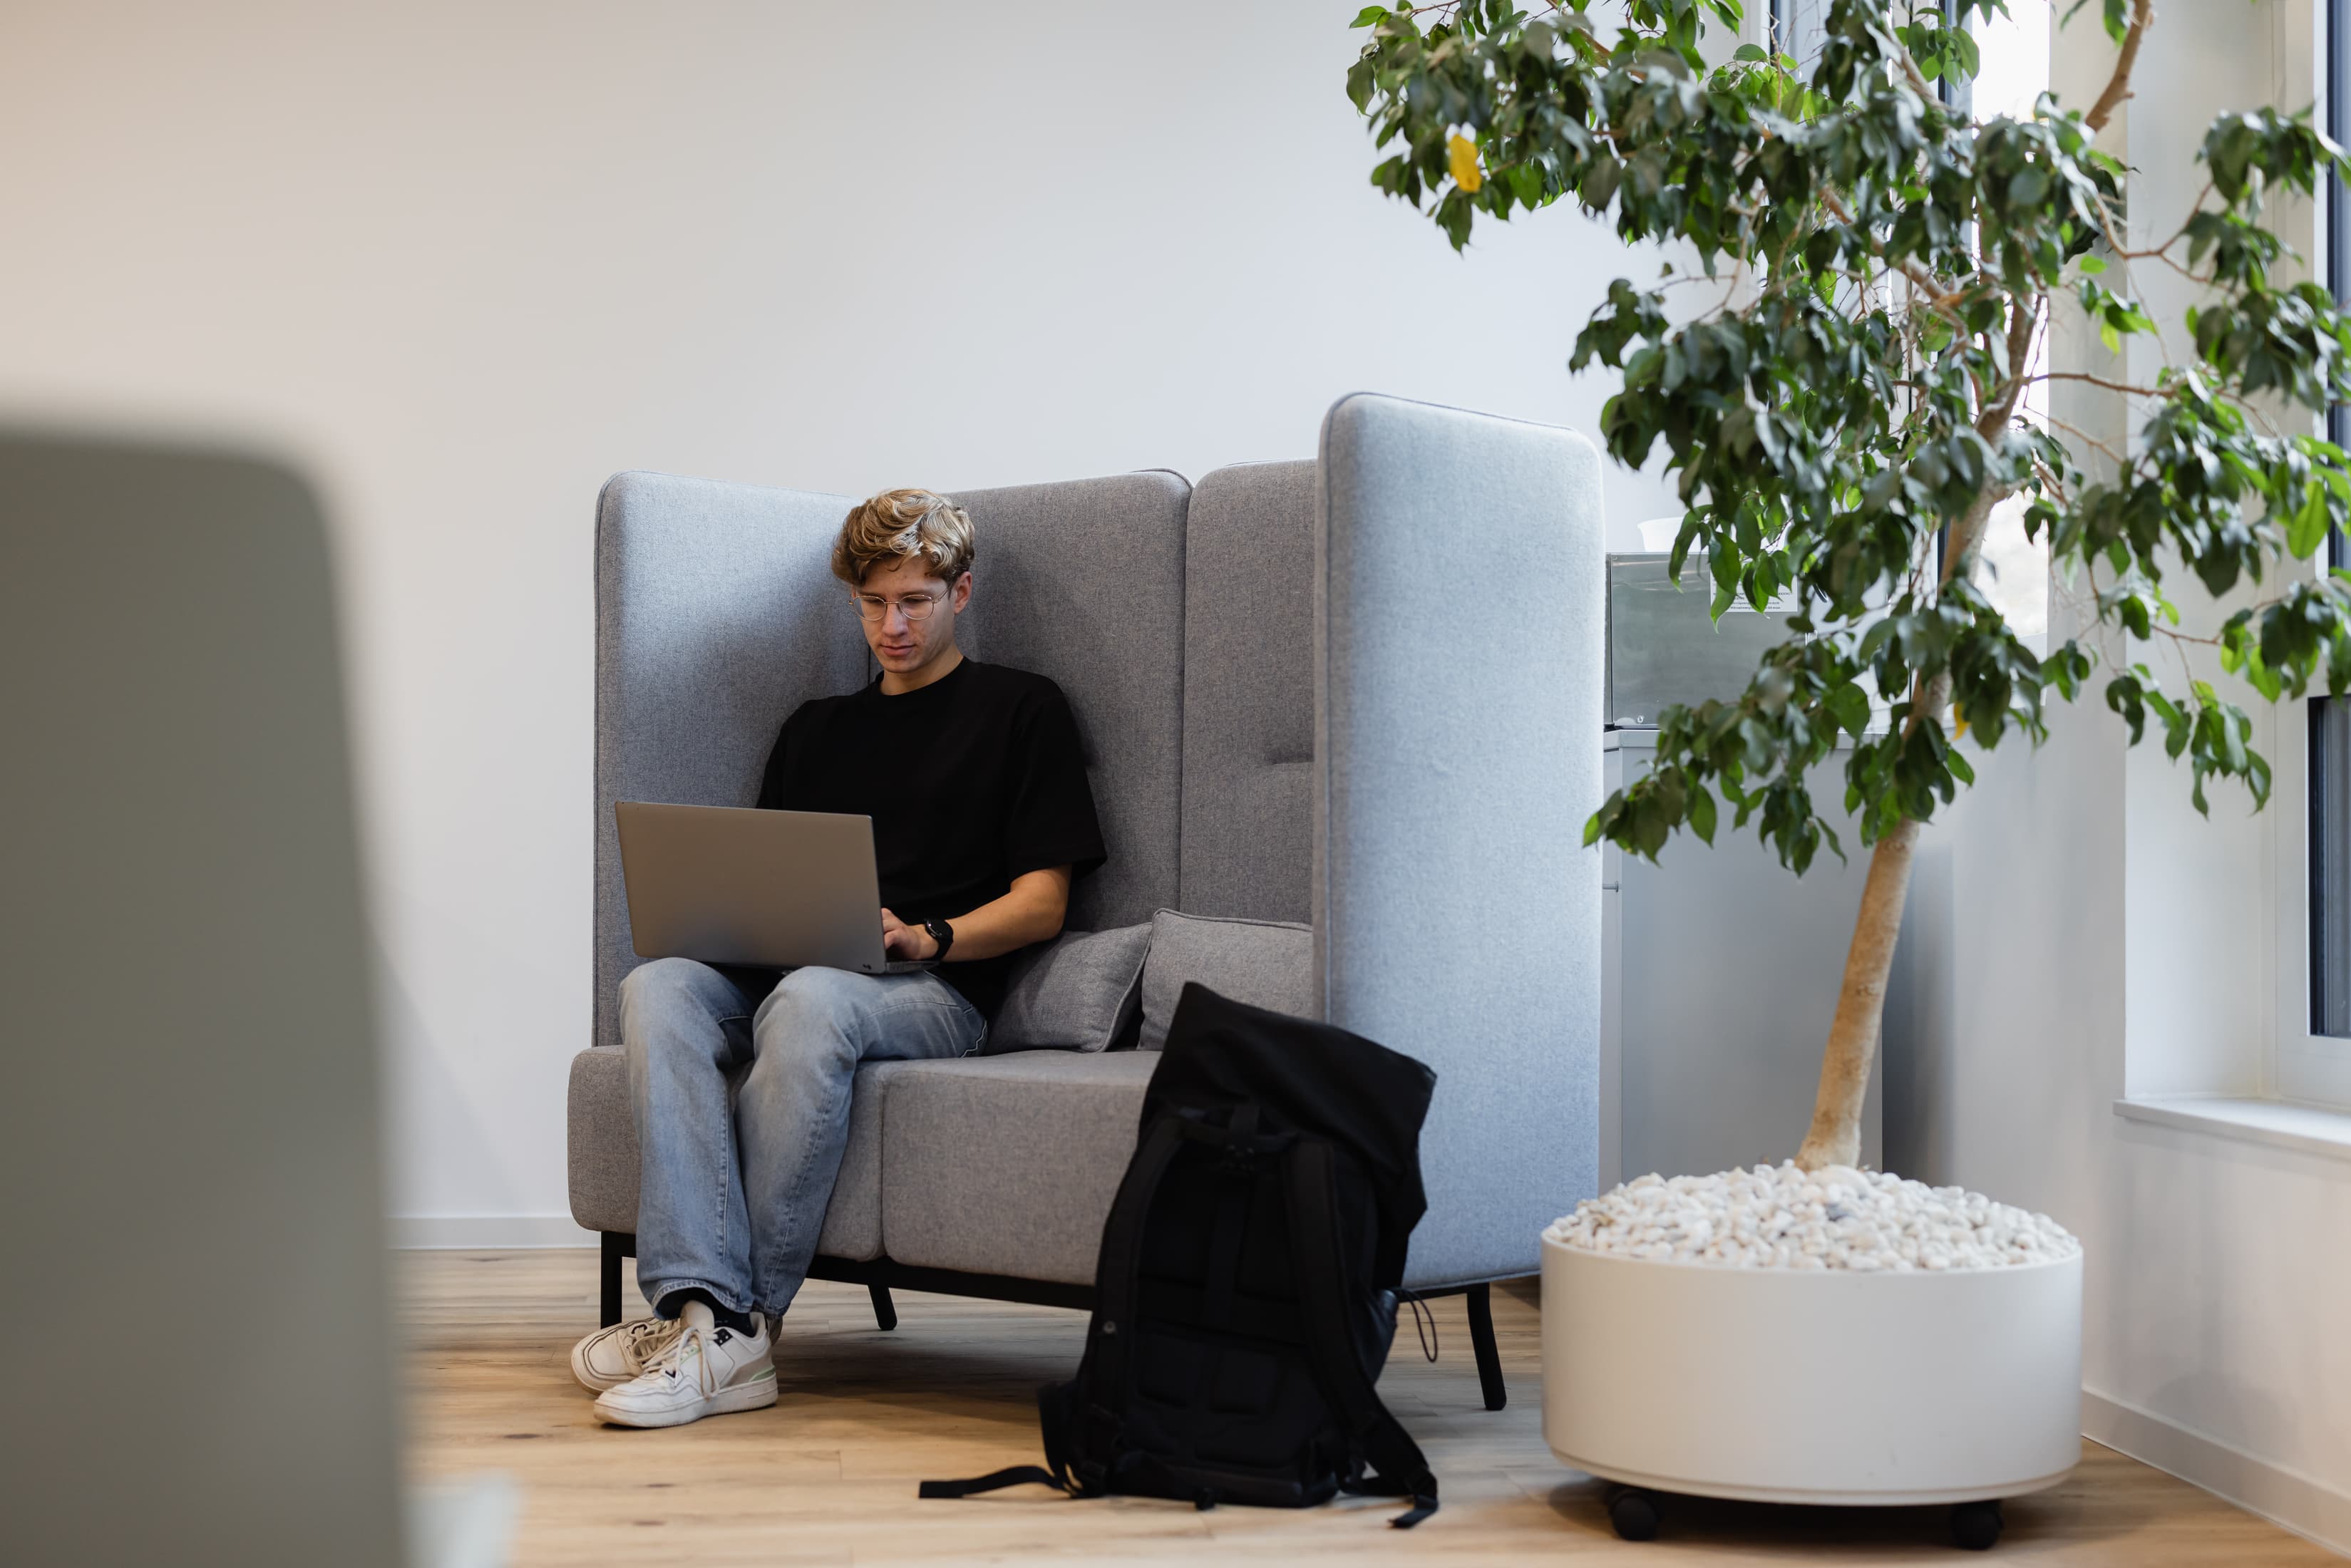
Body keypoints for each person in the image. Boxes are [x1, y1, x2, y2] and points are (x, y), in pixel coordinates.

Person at [569, 488, 1105, 1429]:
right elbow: (771, 881)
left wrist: (923, 937)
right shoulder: (815, 729)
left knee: (814, 999)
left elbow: (1042, 905)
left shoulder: (1022, 709)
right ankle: (703, 1308)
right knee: (656, 985)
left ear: (961, 592)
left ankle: (733, 1327)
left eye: (914, 601)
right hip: (800, 972)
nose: (891, 626)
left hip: (938, 985)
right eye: (872, 605)